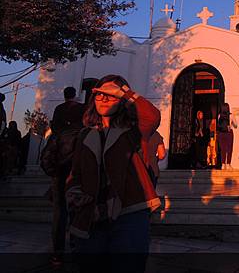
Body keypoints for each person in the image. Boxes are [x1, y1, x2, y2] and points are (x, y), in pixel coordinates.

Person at [66, 75, 161, 272]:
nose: (104, 99)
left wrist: (125, 92)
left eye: (111, 95)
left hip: (130, 212)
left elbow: (152, 116)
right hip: (92, 213)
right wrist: (74, 193)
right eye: (100, 94)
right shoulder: (85, 135)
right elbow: (76, 173)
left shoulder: (133, 130)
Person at [48, 87, 85, 263]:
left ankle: (57, 251)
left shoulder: (58, 114)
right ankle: (75, 244)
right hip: (75, 172)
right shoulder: (81, 132)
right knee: (76, 208)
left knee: (59, 210)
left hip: (58, 171)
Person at [216, 103, 236, 170]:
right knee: (229, 149)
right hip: (229, 133)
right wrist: (232, 124)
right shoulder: (231, 115)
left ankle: (223, 164)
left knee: (223, 149)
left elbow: (218, 125)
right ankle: (228, 164)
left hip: (221, 133)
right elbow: (236, 125)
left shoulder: (219, 115)